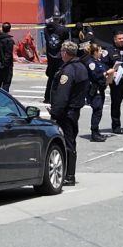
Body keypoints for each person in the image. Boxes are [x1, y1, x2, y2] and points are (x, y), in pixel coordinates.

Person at [50, 41, 89, 185]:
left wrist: (55, 112)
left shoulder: (68, 70)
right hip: (75, 109)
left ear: (65, 53)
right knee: (70, 141)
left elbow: (62, 95)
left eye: (62, 51)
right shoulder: (81, 67)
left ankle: (69, 175)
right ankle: (69, 174)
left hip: (66, 112)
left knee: (66, 142)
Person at [82, 43, 114, 142]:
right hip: (94, 91)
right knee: (97, 111)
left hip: (101, 90)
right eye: (100, 51)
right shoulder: (90, 62)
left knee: (99, 111)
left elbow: (103, 72)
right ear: (95, 52)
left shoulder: (98, 62)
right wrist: (107, 73)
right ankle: (94, 133)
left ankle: (96, 131)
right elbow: (95, 75)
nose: (101, 53)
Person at [43, 12, 69, 103]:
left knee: (50, 78)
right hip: (59, 57)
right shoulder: (63, 29)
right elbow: (66, 39)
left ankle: (47, 97)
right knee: (60, 78)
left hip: (50, 57)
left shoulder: (46, 29)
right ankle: (56, 97)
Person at [0, 22, 15, 92]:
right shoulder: (9, 40)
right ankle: (3, 98)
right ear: (9, 30)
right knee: (6, 82)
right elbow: (8, 54)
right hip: (7, 66)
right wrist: (4, 64)